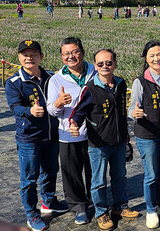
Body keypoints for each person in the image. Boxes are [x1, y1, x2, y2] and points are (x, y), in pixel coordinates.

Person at [69, 49, 139, 230]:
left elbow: (122, 112)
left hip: (119, 141)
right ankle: (101, 212)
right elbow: (78, 112)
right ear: (95, 66)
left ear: (115, 64)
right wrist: (74, 124)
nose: (105, 66)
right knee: (99, 180)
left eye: (108, 63)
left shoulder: (121, 84)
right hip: (98, 143)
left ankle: (120, 207)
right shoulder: (90, 88)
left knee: (119, 176)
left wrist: (125, 133)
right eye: (100, 64)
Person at [5, 40, 69, 231]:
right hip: (29, 138)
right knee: (29, 178)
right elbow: (14, 107)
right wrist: (29, 111)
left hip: (51, 135)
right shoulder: (15, 82)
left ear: (41, 56)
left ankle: (49, 203)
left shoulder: (51, 78)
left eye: (33, 54)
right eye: (25, 54)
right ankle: (32, 214)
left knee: (50, 171)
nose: (29, 58)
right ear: (19, 58)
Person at [128, 40, 160, 229]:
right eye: (152, 55)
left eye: (159, 54)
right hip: (147, 135)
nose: (156, 58)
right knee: (151, 174)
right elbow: (131, 108)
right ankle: (151, 209)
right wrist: (135, 113)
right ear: (146, 58)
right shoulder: (140, 81)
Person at [46, 37, 96, 225]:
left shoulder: (95, 72)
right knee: (72, 173)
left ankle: (96, 201)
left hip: (95, 132)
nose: (71, 56)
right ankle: (78, 207)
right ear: (61, 57)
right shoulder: (56, 79)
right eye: (66, 54)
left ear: (82, 52)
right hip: (69, 133)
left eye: (74, 52)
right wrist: (59, 103)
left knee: (95, 171)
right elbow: (51, 109)